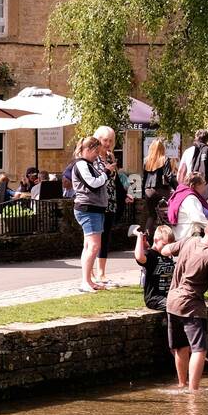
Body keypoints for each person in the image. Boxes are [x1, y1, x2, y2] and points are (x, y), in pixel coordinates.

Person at [166, 216, 208, 394]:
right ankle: (194, 391)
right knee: (200, 349)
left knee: (180, 347)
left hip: (172, 302)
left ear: (206, 229)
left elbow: (165, 250)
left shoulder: (189, 241)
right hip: (191, 306)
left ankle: (181, 384)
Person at [94, 125, 132, 286]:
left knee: (106, 236)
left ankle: (101, 272)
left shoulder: (110, 157)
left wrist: (124, 194)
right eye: (105, 140)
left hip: (110, 202)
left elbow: (115, 181)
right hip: (97, 203)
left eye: (110, 140)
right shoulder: (92, 158)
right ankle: (90, 271)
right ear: (98, 140)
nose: (108, 143)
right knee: (95, 238)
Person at [71, 136, 109, 293]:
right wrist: (106, 173)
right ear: (87, 150)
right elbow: (92, 184)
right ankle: (85, 282)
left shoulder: (88, 164)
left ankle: (88, 280)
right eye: (95, 152)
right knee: (94, 247)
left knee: (89, 246)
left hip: (94, 209)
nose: (96, 155)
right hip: (88, 209)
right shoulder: (81, 165)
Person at [134, 223, 181, 311]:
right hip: (155, 298)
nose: (167, 248)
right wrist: (139, 237)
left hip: (169, 296)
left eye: (170, 246)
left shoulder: (168, 256)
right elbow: (139, 257)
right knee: (176, 307)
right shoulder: (151, 255)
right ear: (155, 241)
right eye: (164, 244)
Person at [141, 139, 177, 235]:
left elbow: (144, 178)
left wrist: (142, 193)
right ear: (162, 148)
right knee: (173, 209)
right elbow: (169, 176)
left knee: (151, 215)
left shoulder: (146, 160)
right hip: (161, 190)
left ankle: (147, 239)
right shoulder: (164, 159)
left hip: (148, 191)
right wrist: (178, 188)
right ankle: (171, 234)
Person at [167, 173, 208, 241]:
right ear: (196, 185)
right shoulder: (190, 198)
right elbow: (197, 218)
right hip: (187, 236)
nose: (205, 186)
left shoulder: (181, 193)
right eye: (203, 183)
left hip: (180, 233)